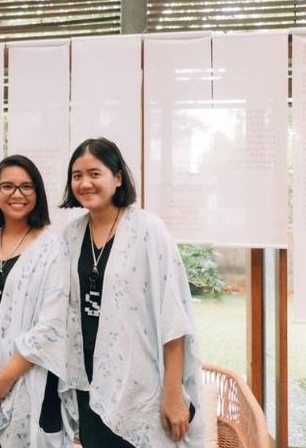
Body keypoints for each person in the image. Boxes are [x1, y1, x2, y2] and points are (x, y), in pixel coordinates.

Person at [59, 138, 203, 447]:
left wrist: (173, 393)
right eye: (77, 175)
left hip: (142, 383)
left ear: (118, 177)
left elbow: (173, 316)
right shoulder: (70, 235)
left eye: (95, 174)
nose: (85, 183)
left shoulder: (149, 230)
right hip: (88, 382)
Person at [0, 154, 73, 448]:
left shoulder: (53, 248)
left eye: (26, 186)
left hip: (31, 382)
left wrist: (6, 378)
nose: (17, 194)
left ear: (38, 193)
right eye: (7, 186)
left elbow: (51, 326)